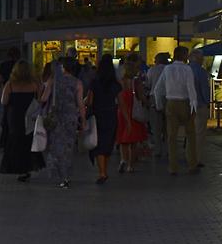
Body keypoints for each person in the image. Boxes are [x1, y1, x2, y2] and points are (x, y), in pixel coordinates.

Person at [153, 46, 199, 175]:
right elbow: (191, 88)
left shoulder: (167, 69)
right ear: (184, 55)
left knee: (171, 136)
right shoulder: (187, 69)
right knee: (190, 134)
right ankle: (192, 164)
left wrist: (159, 105)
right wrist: (193, 106)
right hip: (185, 103)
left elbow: (158, 89)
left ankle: (173, 167)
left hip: (171, 103)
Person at [42, 58, 85, 188]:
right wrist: (83, 120)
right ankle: (66, 176)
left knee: (56, 144)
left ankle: (59, 173)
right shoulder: (77, 83)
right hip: (70, 117)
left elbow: (43, 98)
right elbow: (80, 104)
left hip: (55, 116)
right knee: (68, 146)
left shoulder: (53, 81)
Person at [0, 60, 44, 182]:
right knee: (28, 140)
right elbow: (39, 100)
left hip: (15, 116)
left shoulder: (10, 84)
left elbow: (4, 101)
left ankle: (19, 168)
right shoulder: (34, 84)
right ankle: (28, 167)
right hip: (30, 115)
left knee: (16, 140)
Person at [87, 55, 121, 184]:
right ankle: (104, 170)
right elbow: (121, 102)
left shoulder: (95, 82)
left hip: (97, 115)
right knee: (108, 143)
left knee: (99, 143)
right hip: (111, 115)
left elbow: (89, 101)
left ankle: (102, 172)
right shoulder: (115, 84)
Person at [116, 62, 148, 174]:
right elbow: (141, 96)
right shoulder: (136, 82)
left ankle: (122, 159)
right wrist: (146, 102)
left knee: (122, 139)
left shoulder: (120, 81)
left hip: (121, 111)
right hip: (133, 111)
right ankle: (130, 165)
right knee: (133, 141)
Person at [145, 52, 170, 157]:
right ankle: (169, 149)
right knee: (168, 125)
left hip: (154, 98)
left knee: (156, 126)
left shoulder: (152, 70)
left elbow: (148, 84)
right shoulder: (169, 70)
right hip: (168, 97)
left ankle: (158, 149)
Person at [189, 49, 211, 167]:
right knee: (199, 133)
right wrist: (207, 102)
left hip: (186, 105)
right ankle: (195, 159)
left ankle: (189, 156)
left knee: (189, 132)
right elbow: (204, 89)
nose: (203, 60)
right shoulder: (200, 71)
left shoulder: (186, 69)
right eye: (201, 58)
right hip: (199, 105)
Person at [0, 47, 21, 150]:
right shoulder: (22, 65)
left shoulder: (4, 65)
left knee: (7, 118)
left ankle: (5, 142)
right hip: (23, 93)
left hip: (9, 93)